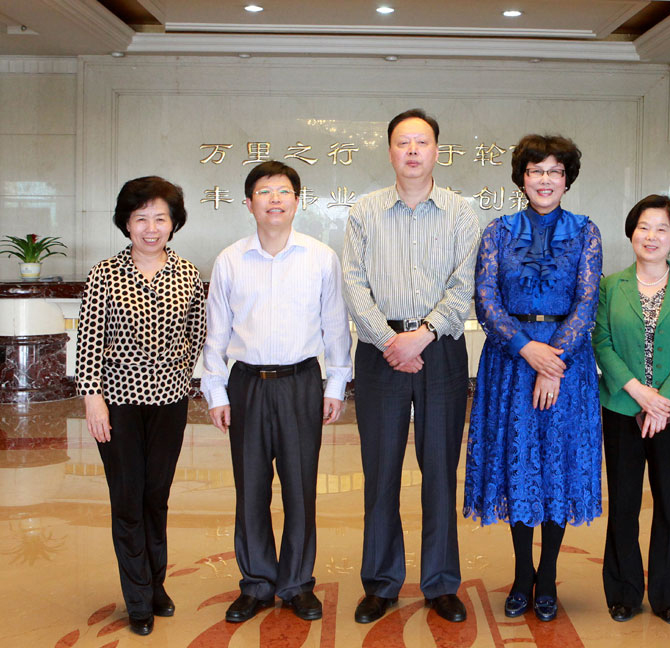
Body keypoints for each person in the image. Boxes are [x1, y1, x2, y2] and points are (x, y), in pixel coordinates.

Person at [342, 108, 480, 624]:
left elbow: (464, 285)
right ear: (390, 152)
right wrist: (388, 340)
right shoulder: (364, 211)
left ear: (437, 151)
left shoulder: (461, 213)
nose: (413, 151)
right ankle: (381, 582)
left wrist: (421, 336)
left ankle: (441, 582)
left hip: (440, 348)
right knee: (380, 470)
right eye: (403, 143)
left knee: (440, 468)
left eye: (422, 142)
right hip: (380, 354)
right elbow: (354, 284)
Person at [201, 160, 352, 624]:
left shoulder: (320, 257)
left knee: (300, 487)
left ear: (297, 201)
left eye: (283, 191)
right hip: (246, 384)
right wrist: (216, 392)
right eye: (264, 192)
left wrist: (335, 384)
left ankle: (297, 584)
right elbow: (216, 332)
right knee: (250, 489)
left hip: (300, 383)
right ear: (249, 203)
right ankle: (257, 583)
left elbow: (335, 326)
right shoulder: (230, 260)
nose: (274, 200)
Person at [463, 134, 602, 622]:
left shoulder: (586, 232)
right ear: (522, 178)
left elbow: (587, 302)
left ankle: (548, 576)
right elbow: (486, 301)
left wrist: (553, 361)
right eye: (536, 171)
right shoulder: (498, 232)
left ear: (567, 179)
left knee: (556, 466)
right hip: (511, 363)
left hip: (567, 367)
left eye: (555, 171)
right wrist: (527, 349)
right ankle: (523, 574)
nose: (546, 180)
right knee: (518, 465)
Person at [77, 176, 206, 636]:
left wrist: (175, 369)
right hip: (118, 403)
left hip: (169, 400)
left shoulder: (187, 273)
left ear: (173, 223)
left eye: (160, 218)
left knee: (157, 496)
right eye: (141, 218)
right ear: (126, 223)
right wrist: (93, 399)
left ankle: (155, 584)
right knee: (128, 499)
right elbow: (88, 340)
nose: (151, 228)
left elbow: (197, 333)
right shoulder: (104, 274)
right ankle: (137, 599)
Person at [592, 195, 670, 625]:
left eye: (661, 228)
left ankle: (668, 595)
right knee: (623, 501)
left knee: (669, 502)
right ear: (631, 233)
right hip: (622, 407)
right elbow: (601, 341)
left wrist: (663, 400)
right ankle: (623, 592)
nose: (651, 236)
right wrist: (640, 393)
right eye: (644, 226)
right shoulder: (610, 286)